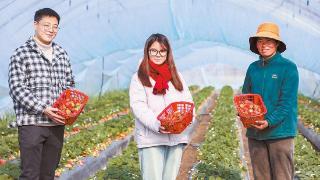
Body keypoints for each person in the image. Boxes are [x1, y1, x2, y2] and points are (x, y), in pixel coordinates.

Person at [8, 8, 74, 180]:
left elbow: (69, 84)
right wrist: (44, 109)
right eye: (46, 25)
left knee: (48, 174)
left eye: (55, 26)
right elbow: (17, 88)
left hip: (56, 125)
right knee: (30, 174)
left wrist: (68, 110)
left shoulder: (61, 54)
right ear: (35, 25)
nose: (51, 30)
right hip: (32, 124)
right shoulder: (21, 54)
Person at [129, 33, 194, 180]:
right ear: (147, 52)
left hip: (176, 137)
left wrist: (189, 118)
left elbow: (188, 102)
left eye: (162, 51)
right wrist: (157, 124)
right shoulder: (139, 77)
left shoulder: (176, 75)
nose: (158, 54)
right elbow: (138, 106)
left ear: (168, 52)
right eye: (153, 51)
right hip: (152, 138)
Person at [242, 22, 299, 180]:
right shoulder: (253, 68)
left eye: (268, 40)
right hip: (255, 132)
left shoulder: (288, 68)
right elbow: (246, 95)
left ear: (276, 43)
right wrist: (245, 113)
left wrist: (269, 121)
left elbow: (286, 102)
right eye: (260, 41)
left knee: (282, 176)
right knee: (261, 176)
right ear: (256, 44)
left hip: (280, 133)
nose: (264, 45)